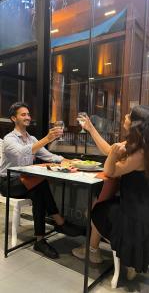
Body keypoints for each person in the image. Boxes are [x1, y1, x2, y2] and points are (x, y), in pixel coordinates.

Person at [0, 102, 80, 259]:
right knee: (40, 183)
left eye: (28, 114)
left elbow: (48, 156)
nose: (28, 117)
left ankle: (40, 240)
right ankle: (59, 222)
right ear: (13, 118)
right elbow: (20, 154)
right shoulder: (9, 139)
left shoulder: (32, 139)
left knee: (38, 190)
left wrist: (68, 160)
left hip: (27, 181)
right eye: (23, 114)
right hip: (7, 182)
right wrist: (47, 138)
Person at [72, 105, 149, 267]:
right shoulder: (139, 144)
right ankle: (94, 250)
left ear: (135, 123)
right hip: (135, 205)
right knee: (99, 203)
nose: (125, 116)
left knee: (96, 209)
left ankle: (96, 251)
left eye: (129, 115)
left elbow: (110, 170)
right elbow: (109, 150)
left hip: (133, 214)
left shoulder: (139, 152)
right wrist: (91, 128)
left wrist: (114, 155)